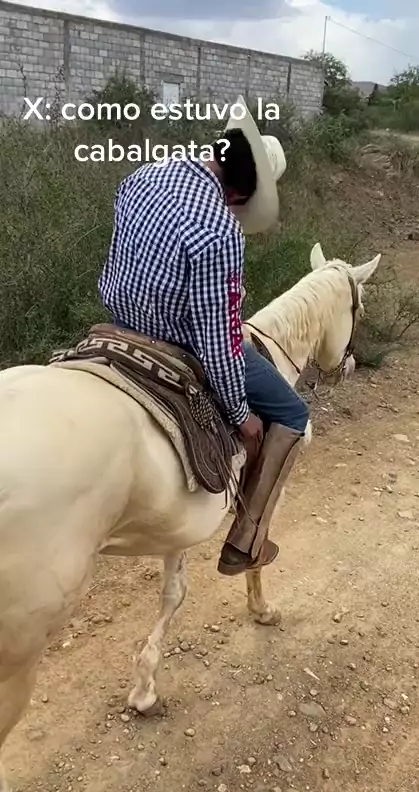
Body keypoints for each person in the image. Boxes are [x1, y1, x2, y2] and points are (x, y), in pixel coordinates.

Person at [97, 95, 309, 577]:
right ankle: (247, 541)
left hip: (117, 324)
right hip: (176, 341)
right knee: (293, 412)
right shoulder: (219, 230)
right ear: (241, 195)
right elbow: (217, 340)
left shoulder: (144, 174)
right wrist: (240, 414)